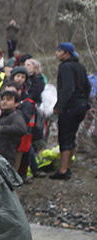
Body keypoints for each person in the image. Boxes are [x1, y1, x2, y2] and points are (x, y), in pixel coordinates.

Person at [50, 42, 91, 180]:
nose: (56, 53)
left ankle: (63, 171)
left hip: (70, 107)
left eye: (59, 51)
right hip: (81, 106)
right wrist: (85, 102)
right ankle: (67, 167)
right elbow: (87, 86)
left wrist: (59, 106)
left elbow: (68, 88)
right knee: (72, 136)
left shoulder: (65, 67)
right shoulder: (80, 66)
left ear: (66, 53)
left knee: (65, 138)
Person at [0, 89, 28, 170]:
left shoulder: (16, 115)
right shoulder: (2, 115)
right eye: (3, 99)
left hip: (5, 157)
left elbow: (21, 129)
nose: (4, 102)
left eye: (8, 100)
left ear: (16, 103)